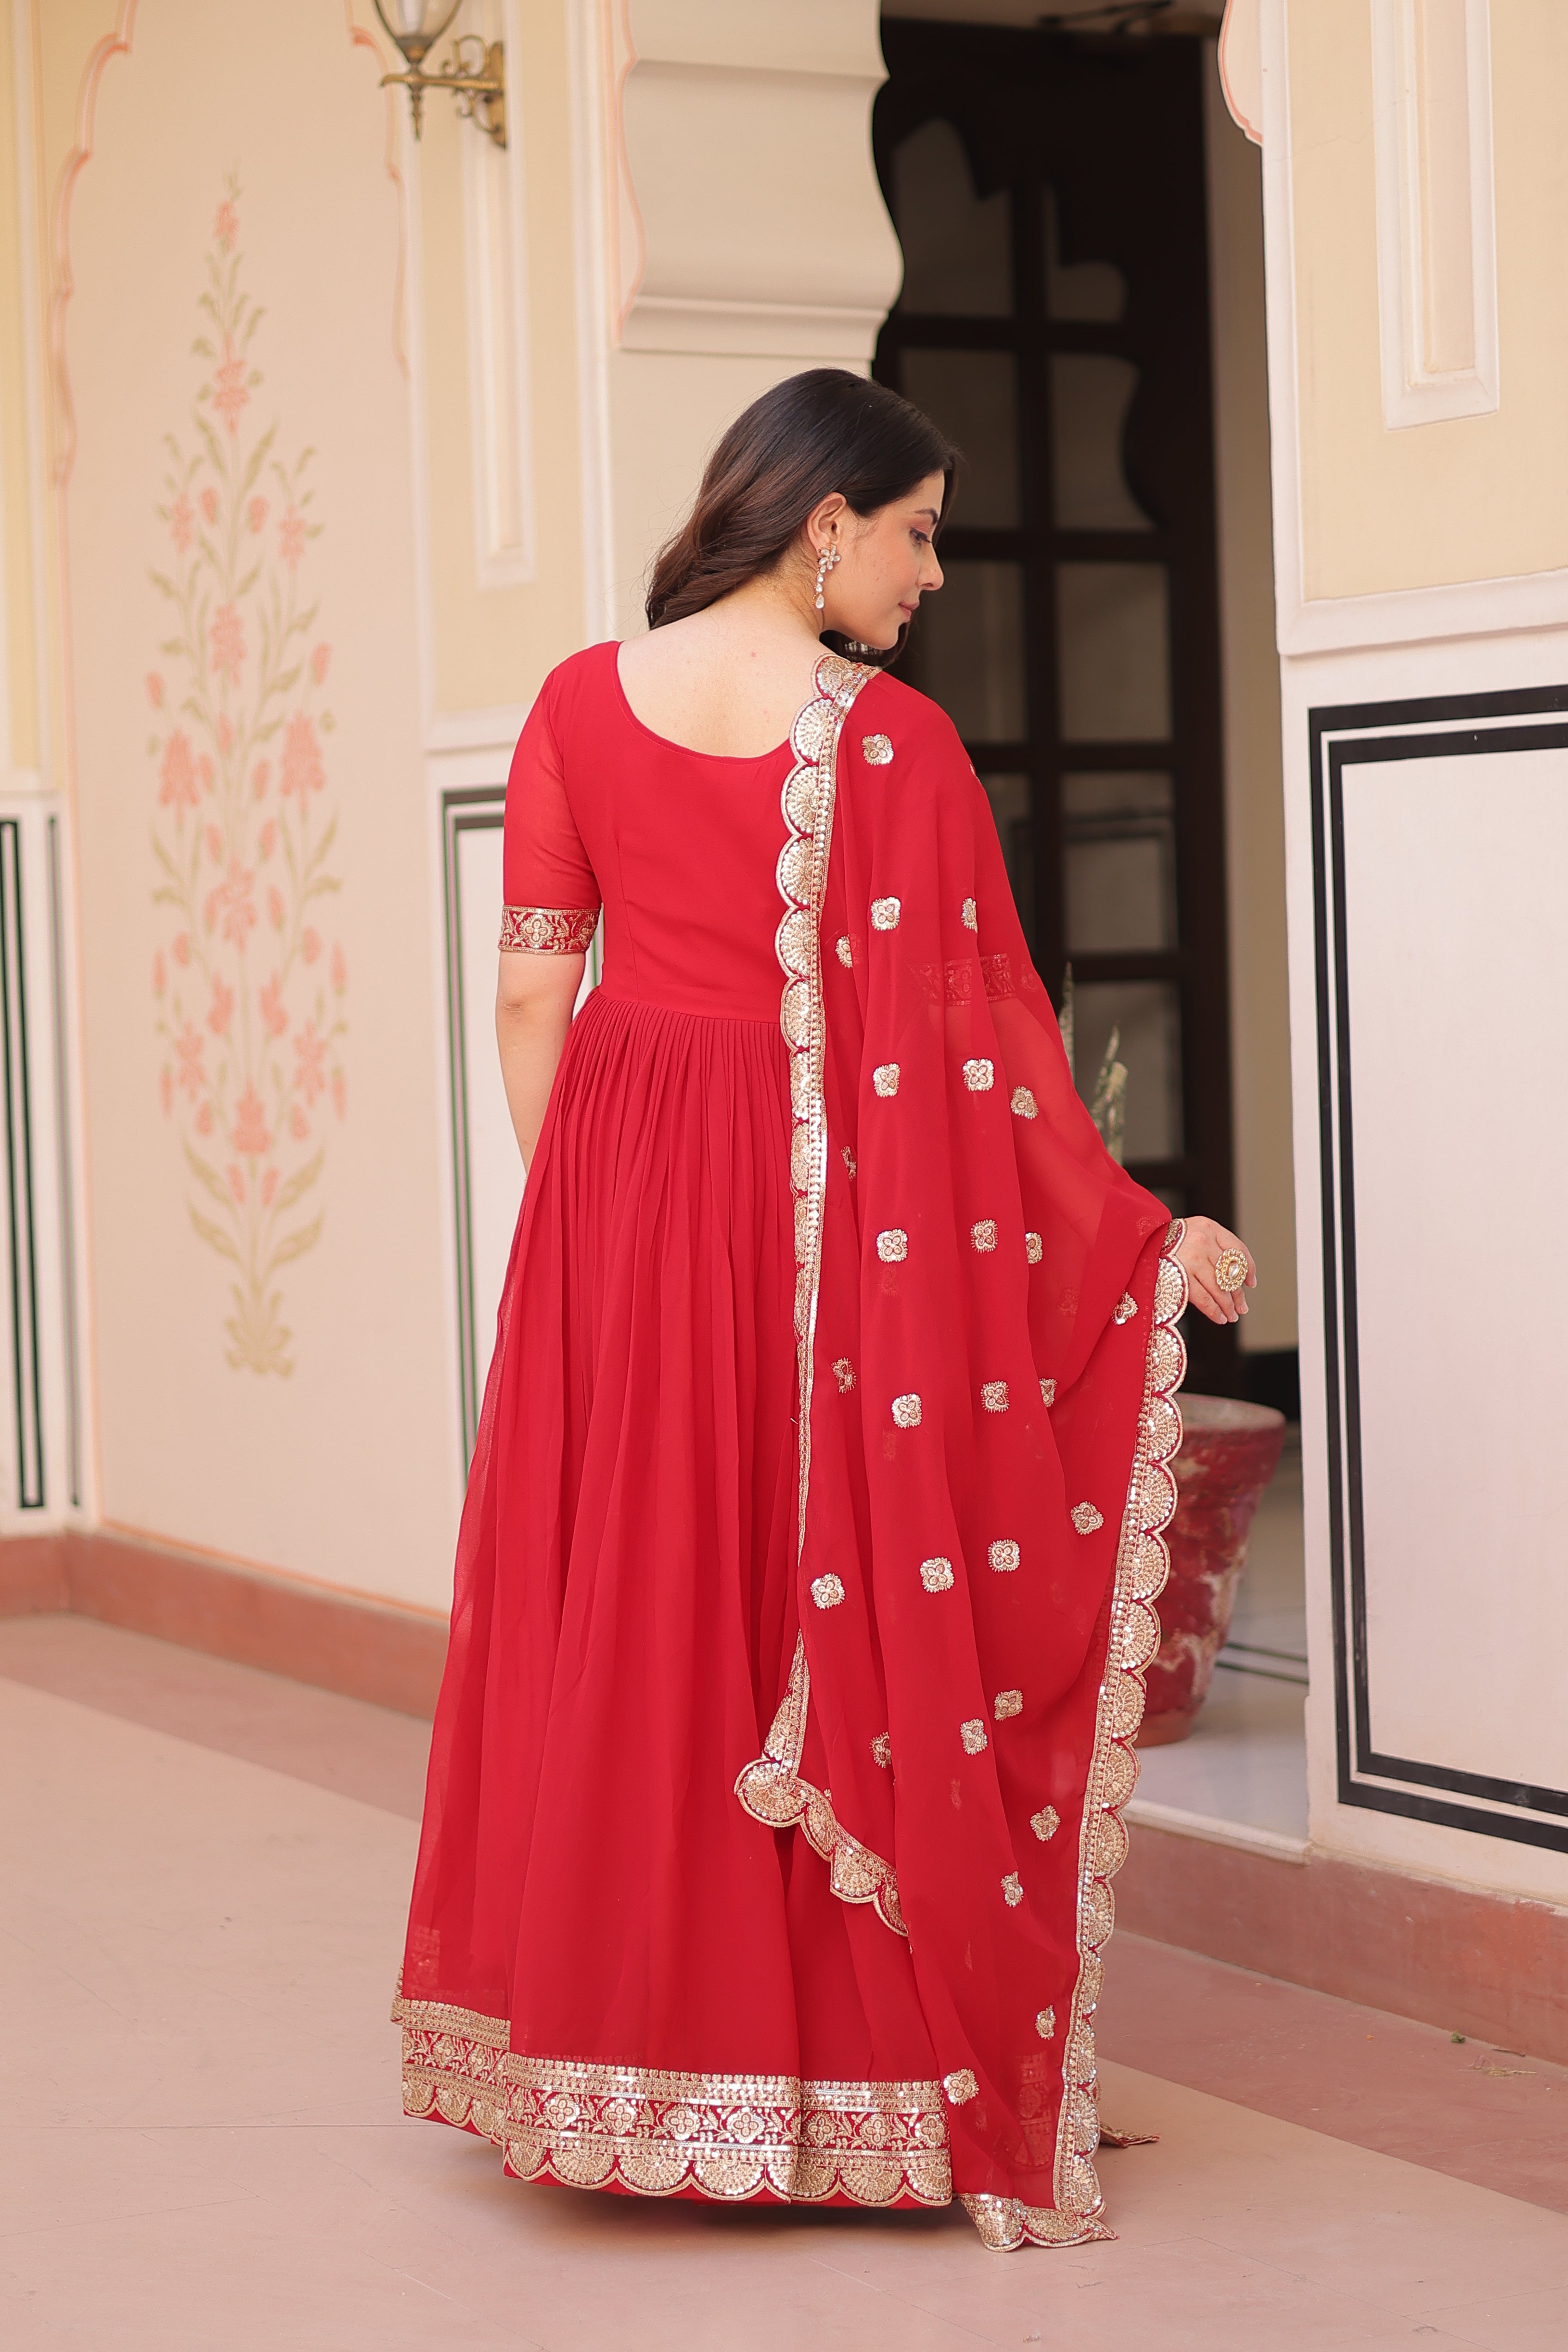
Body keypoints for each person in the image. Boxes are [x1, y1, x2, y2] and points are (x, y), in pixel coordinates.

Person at [394, 368, 1256, 2252]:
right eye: (920, 532)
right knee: (797, 1603)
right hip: (814, 1242)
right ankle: (813, 2080)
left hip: (609, 1207)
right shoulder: (885, 751)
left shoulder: (567, 705)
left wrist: (593, 1224)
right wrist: (1123, 1236)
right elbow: (988, 1062)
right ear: (821, 524)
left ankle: (597, 2060)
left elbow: (533, 997)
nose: (931, 576)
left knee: (634, 1603)